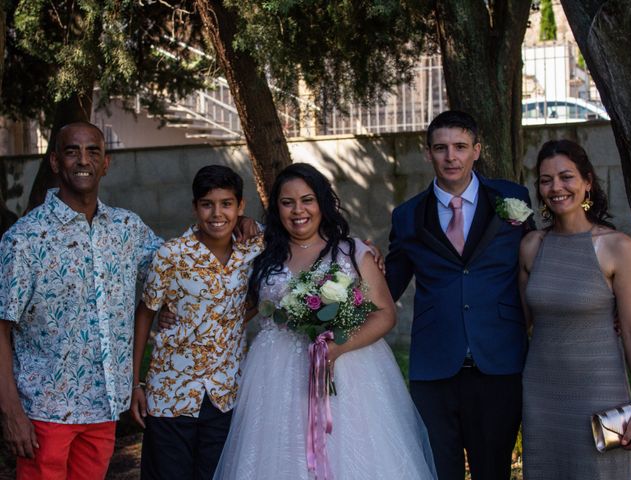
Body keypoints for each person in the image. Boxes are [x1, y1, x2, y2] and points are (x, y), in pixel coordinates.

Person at [213, 163, 437, 479]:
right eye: (287, 202)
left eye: (307, 200)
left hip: (347, 374)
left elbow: (385, 314)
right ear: (276, 208)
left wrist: (335, 349)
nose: (298, 210)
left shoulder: (352, 252)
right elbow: (238, 306)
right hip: (274, 376)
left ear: (322, 203)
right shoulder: (262, 254)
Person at [0, 122, 162, 479]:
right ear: (55, 162)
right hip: (45, 413)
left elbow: (179, 268)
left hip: (103, 409)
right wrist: (11, 413)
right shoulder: (25, 239)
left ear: (105, 163)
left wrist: (236, 227)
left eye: (93, 151)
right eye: (72, 151)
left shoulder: (127, 229)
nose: (83, 160)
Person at [385, 110, 533, 480]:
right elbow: (388, 285)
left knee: (492, 471)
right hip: (434, 366)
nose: (451, 156)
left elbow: (539, 259)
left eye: (460, 147)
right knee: (439, 471)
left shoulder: (512, 199)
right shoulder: (407, 215)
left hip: (499, 362)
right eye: (441, 148)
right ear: (428, 153)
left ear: (477, 150)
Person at [130, 165, 263, 479]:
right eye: (207, 204)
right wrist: (134, 383)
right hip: (171, 392)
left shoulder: (255, 247)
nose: (217, 213)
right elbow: (145, 312)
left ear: (241, 206)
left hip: (225, 393)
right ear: (195, 207)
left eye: (227, 204)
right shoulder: (171, 254)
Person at [519, 139, 631, 479]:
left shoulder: (618, 247)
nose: (556, 187)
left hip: (599, 393)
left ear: (587, 182)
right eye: (546, 180)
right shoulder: (531, 247)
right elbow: (520, 323)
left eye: (566, 177)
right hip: (541, 392)